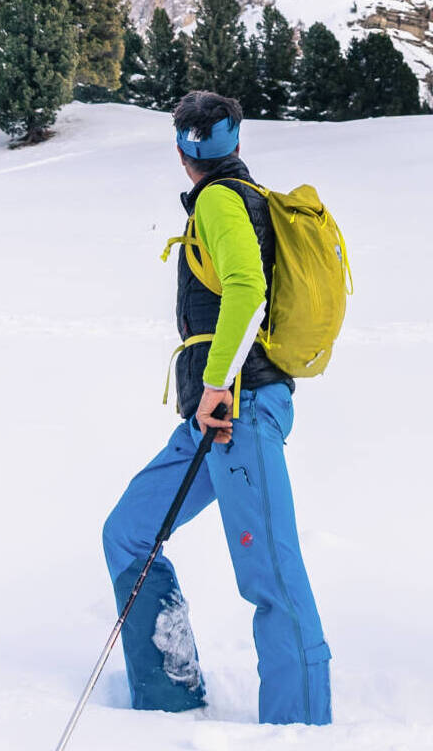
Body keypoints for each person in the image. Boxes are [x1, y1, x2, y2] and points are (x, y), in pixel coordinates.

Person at [98, 91, 331, 723]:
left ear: (181, 152)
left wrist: (218, 384)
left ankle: (301, 729)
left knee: (271, 576)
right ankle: (168, 693)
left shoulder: (221, 201)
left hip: (237, 411)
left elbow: (248, 291)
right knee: (130, 531)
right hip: (215, 414)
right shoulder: (236, 197)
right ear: (237, 142)